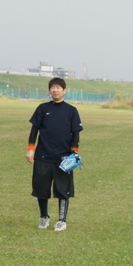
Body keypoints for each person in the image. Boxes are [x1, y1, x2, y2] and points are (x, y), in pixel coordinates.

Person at [27, 77, 82, 231]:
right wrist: (31, 148)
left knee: (63, 190)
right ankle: (44, 217)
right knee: (41, 189)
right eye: (53, 87)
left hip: (63, 158)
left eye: (58, 87)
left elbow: (75, 134)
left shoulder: (71, 111)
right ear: (49, 90)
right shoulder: (43, 108)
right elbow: (34, 131)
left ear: (64, 91)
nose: (55, 90)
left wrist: (74, 153)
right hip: (42, 156)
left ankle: (62, 220)